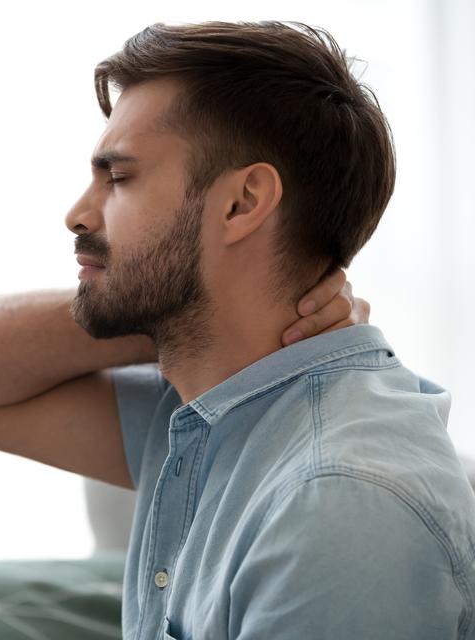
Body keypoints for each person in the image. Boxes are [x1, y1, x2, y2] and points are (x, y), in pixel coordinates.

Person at [62, 20, 475, 639]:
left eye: (119, 178)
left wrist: (163, 295)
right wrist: (169, 301)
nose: (77, 214)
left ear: (242, 203)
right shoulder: (206, 410)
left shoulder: (338, 505)